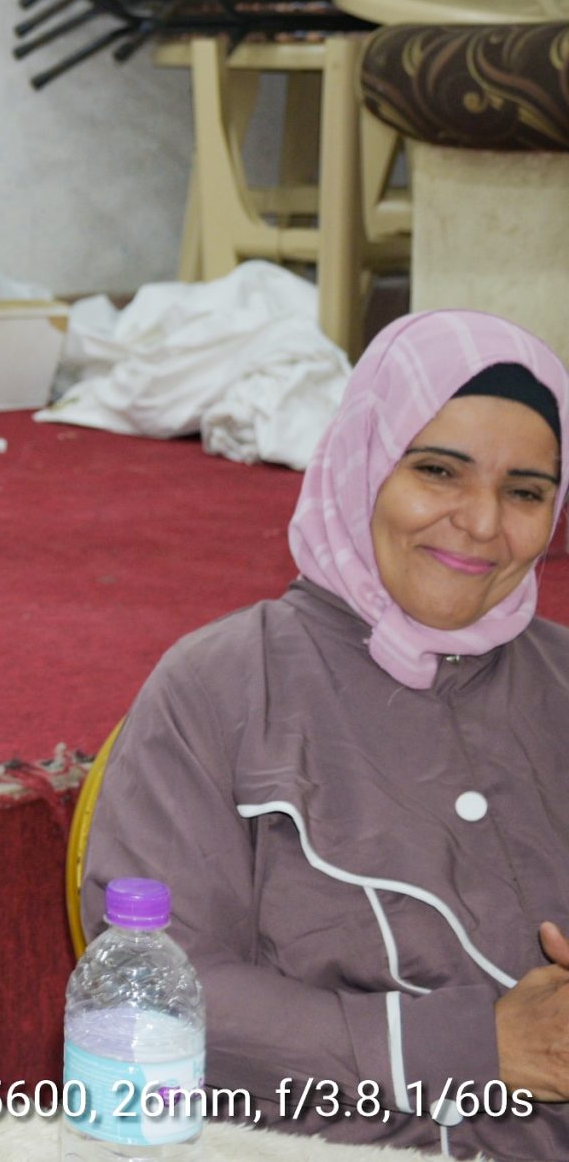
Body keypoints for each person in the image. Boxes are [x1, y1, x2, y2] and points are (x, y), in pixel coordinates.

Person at [83, 309, 569, 1155]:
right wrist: (473, 1044)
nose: (484, 521)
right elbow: (151, 1001)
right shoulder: (223, 689)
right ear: (362, 463)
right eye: (438, 470)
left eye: (525, 490)